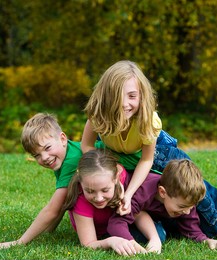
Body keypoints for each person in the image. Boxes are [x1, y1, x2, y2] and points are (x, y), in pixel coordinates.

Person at [0, 113, 134, 250]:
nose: (45, 157)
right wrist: (49, 229)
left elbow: (53, 209)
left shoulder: (72, 161)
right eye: (37, 155)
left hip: (133, 177)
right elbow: (62, 203)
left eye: (47, 148)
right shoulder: (64, 155)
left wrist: (19, 242)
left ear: (63, 139)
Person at [81, 60, 189, 215]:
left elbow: (146, 159)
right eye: (118, 97)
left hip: (159, 151)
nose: (125, 104)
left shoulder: (148, 120)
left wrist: (129, 193)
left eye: (132, 96)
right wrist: (109, 167)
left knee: (187, 187)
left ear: (141, 96)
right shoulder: (98, 116)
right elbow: (86, 146)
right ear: (107, 96)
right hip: (119, 155)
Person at [107, 159, 217, 251]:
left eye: (191, 207)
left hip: (152, 217)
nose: (187, 212)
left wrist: (206, 240)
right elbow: (116, 223)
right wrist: (132, 244)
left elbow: (191, 226)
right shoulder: (142, 192)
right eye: (181, 207)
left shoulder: (185, 201)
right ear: (162, 192)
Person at [63, 149, 166, 255]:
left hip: (121, 224)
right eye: (90, 191)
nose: (98, 198)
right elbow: (88, 243)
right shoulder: (80, 201)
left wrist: (154, 239)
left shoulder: (120, 180)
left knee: (159, 234)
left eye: (105, 190)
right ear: (81, 183)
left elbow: (137, 213)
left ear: (116, 178)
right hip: (103, 235)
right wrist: (110, 242)